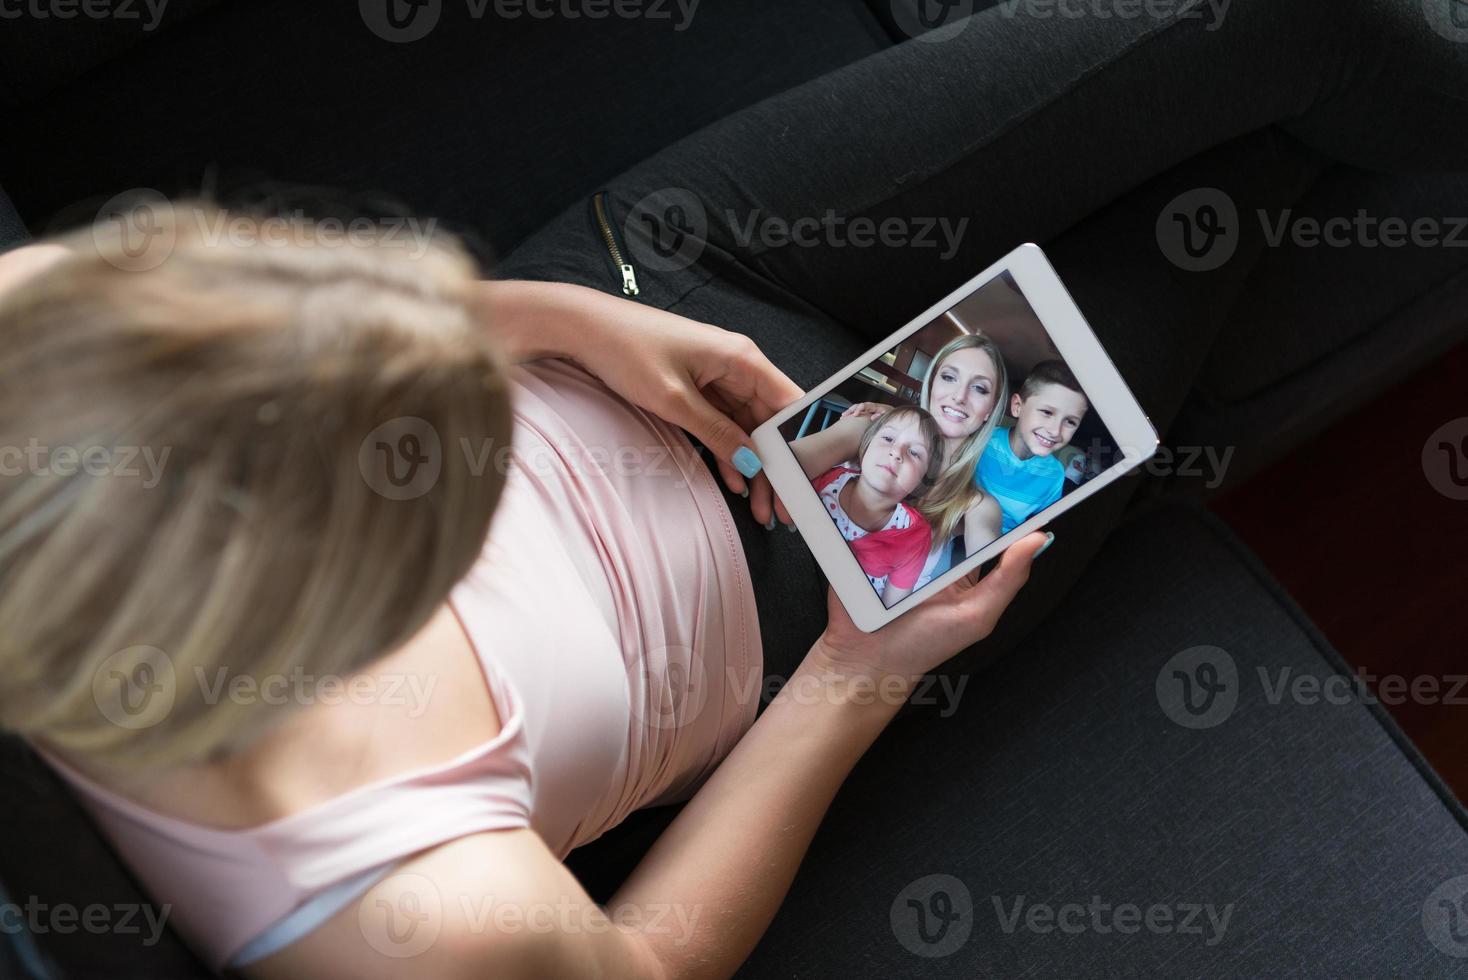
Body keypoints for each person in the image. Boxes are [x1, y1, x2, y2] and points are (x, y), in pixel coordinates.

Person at [2, 3, 1465, 976]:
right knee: (1250, 173)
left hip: (655, 294)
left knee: (1279, 23)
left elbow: (194, 281)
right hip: (828, 568)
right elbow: (643, 963)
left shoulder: (39, 348)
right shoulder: (405, 919)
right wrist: (858, 672)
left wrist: (553, 322)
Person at [804, 332, 1010, 585]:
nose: (959, 396)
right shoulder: (869, 426)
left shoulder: (978, 506)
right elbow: (791, 461)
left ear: (990, 410)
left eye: (979, 388)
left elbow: (969, 591)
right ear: (932, 383)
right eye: (949, 377)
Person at [797, 406, 942, 607]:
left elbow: (892, 607)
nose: (896, 453)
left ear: (923, 480)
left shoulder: (916, 535)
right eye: (888, 439)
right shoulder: (822, 480)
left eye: (914, 452)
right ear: (866, 444)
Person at [979, 359, 1090, 534]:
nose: (1055, 431)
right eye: (1047, 412)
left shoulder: (1055, 476)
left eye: (1070, 421)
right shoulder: (982, 440)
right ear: (1017, 407)